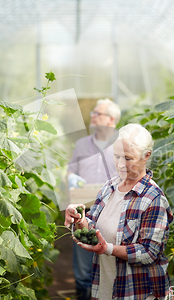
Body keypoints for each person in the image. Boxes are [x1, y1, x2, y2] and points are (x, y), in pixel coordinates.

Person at [65, 124, 174, 300]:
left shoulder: (153, 199)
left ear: (146, 156)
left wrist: (108, 249)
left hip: (138, 292)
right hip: (105, 287)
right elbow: (92, 225)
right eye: (116, 156)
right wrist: (79, 218)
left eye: (128, 158)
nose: (121, 164)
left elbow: (149, 253)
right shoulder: (110, 187)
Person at [67, 99, 121, 300]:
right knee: (82, 268)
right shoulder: (82, 144)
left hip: (112, 213)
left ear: (111, 120)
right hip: (84, 211)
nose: (92, 116)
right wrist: (72, 177)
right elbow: (71, 169)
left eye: (98, 113)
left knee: (110, 262)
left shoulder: (120, 147)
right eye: (93, 113)